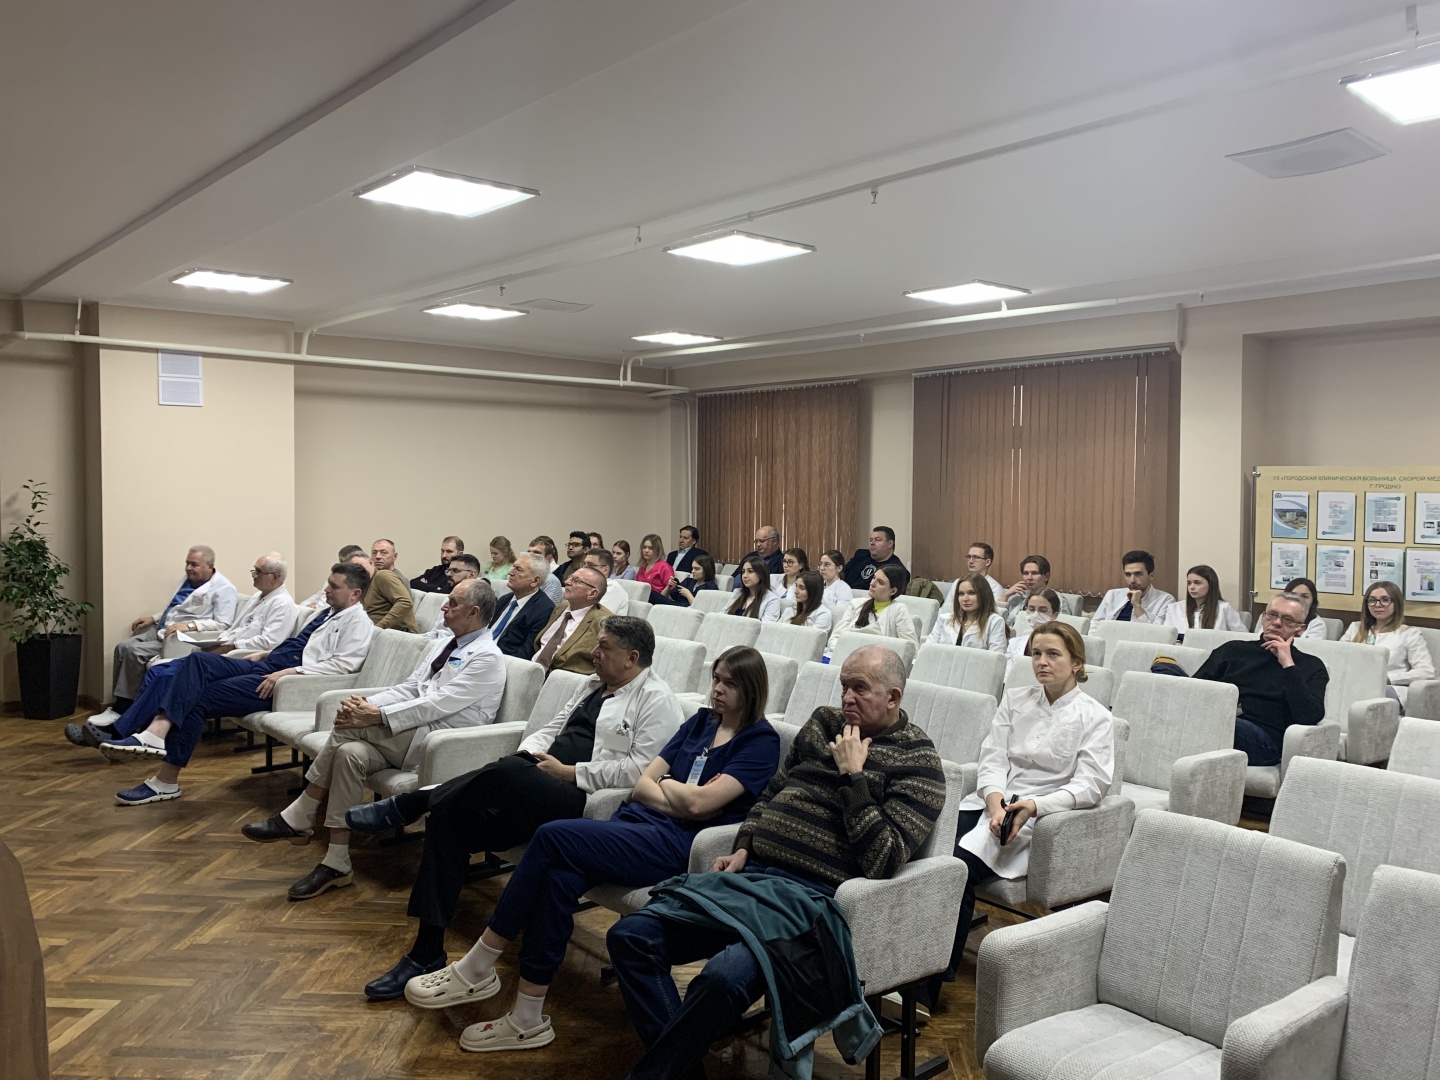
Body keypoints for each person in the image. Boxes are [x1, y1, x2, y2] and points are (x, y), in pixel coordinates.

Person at [403, 647, 780, 1054]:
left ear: (751, 689)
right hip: (633, 823)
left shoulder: (760, 742)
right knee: (558, 878)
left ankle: (479, 961)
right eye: (716, 679)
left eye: (730, 683)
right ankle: (527, 1017)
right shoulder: (701, 722)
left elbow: (699, 807)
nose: (718, 689)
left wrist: (670, 788)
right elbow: (644, 785)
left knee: (551, 836)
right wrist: (677, 792)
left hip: (674, 845)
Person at [606, 645, 945, 1080]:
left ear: (893, 697)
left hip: (808, 904)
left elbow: (884, 859)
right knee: (631, 936)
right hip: (752, 879)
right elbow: (772, 793)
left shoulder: (919, 762)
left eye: (860, 688)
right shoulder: (823, 723)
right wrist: (746, 844)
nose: (847, 698)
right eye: (844, 686)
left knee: (721, 979)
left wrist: (854, 777)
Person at [351, 617, 684, 1001]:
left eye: (604, 646)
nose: (594, 652)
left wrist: (569, 772)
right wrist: (530, 756)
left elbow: (642, 771)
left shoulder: (656, 700)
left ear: (632, 657)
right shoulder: (592, 685)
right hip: (538, 789)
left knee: (507, 771)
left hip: (585, 803)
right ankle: (426, 952)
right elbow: (552, 729)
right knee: (448, 820)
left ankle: (414, 802)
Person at [240, 579, 506, 899]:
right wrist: (368, 704)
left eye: (453, 602)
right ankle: (337, 862)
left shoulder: (487, 657)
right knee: (349, 753)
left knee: (350, 725)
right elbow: (409, 688)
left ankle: (302, 811)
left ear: (473, 612)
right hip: (408, 733)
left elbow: (436, 705)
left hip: (439, 744)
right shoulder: (445, 643)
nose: (444, 606)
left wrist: (375, 716)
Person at [924, 621, 1114, 1008]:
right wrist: (994, 802)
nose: (1041, 662)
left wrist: (1034, 806)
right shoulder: (1015, 699)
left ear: (1077, 663)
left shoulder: (1095, 716)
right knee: (923, 851)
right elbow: (993, 758)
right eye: (1036, 653)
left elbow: (1092, 785)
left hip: (1038, 816)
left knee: (956, 870)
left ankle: (927, 985)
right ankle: (898, 962)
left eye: (1053, 654)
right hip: (990, 802)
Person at [97, 562, 375, 804]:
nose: (326, 590)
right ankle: (156, 734)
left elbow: (343, 666)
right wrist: (267, 653)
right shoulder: (327, 613)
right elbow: (303, 646)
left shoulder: (358, 622)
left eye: (334, 586)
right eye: (328, 583)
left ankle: (165, 778)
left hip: (283, 684)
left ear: (355, 593)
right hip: (268, 665)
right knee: (198, 661)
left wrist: (289, 672)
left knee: (197, 698)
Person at [68, 553, 293, 748]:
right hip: (220, 654)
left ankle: (119, 733)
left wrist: (228, 646)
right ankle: (138, 733)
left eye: (258, 571)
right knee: (158, 671)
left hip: (240, 661)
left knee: (168, 675)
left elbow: (269, 643)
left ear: (274, 577)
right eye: (254, 570)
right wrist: (213, 642)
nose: (253, 575)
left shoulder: (283, 604)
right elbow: (233, 630)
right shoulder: (257, 598)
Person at [93, 545, 239, 721]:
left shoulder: (224, 589)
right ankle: (121, 703)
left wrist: (190, 626)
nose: (188, 568)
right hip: (162, 628)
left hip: (179, 639)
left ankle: (123, 710)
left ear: (210, 566)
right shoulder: (188, 580)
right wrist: (153, 618)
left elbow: (223, 624)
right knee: (122, 648)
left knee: (134, 652)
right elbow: (175, 608)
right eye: (187, 563)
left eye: (194, 564)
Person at [1188, 592, 1329, 767]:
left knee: (1219, 721)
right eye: (1272, 615)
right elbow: (1194, 690)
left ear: (1300, 628)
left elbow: (1310, 716)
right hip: (1221, 719)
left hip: (1264, 740)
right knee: (1170, 680)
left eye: (1287, 619)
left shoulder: (1310, 665)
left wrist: (1288, 664)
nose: (1277, 623)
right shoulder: (1232, 650)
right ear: (1263, 618)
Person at [1345, 581, 1434, 709]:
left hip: (1390, 688)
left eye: (1385, 600)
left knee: (1366, 694)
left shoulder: (1409, 634)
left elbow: (1426, 671)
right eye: (1372, 600)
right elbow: (1339, 658)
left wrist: (1388, 678)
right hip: (1354, 683)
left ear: (1396, 603)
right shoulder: (1355, 628)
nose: (1378, 605)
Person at [531, 567, 611, 676]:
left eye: (576, 580)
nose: (566, 582)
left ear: (592, 593)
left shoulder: (603, 622)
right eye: (570, 577)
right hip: (532, 669)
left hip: (563, 679)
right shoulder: (561, 608)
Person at [827, 565, 918, 657]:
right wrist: (846, 653)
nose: (872, 583)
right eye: (874, 578)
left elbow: (911, 649)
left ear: (893, 591)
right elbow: (835, 638)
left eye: (880, 582)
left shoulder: (898, 610)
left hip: (878, 660)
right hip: (847, 656)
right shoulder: (856, 604)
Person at [488, 554, 556, 659]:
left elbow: (525, 654)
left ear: (535, 581)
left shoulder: (544, 610)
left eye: (518, 570)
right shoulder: (505, 599)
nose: (510, 572)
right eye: (513, 567)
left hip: (503, 661)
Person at [1092, 549, 1176, 624]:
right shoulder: (1112, 595)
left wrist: (1137, 605)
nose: (1132, 580)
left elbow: (1154, 633)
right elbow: (1095, 623)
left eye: (1138, 574)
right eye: (1128, 574)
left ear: (1151, 576)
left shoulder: (1165, 600)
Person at [929, 572, 1007, 652]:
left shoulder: (995, 622)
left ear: (983, 595)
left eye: (971, 593)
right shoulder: (944, 619)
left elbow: (996, 656)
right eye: (961, 594)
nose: (965, 599)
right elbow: (928, 649)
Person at [1166, 564, 1247, 635]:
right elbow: (1166, 635)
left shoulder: (1223, 608)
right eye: (1189, 583)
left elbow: (1243, 637)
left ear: (1210, 585)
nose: (1191, 587)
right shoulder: (1175, 608)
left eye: (1197, 583)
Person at [1004, 590, 1063, 677]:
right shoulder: (1014, 643)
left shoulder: (1064, 644)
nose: (1035, 615)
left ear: (1055, 615)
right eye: (1031, 609)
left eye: (1043, 610)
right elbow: (1007, 677)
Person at [422, 555, 481, 639]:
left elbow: (457, 638)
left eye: (455, 571)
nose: (449, 574)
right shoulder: (449, 597)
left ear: (471, 575)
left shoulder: (479, 602)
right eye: (448, 570)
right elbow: (436, 631)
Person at [363, 541, 417, 632]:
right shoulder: (373, 577)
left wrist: (378, 628)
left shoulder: (394, 578)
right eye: (374, 553)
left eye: (383, 553)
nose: (378, 556)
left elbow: (405, 604)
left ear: (394, 556)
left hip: (398, 631)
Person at [841, 525, 906, 590]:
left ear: (890, 544)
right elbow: (841, 575)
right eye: (871, 540)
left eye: (877, 540)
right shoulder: (861, 555)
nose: (872, 543)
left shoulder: (897, 570)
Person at [301, 544, 365, 608]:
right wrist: (306, 605)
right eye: (341, 562)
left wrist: (316, 607)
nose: (342, 566)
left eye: (346, 563)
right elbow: (319, 595)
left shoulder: (356, 583)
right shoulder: (334, 578)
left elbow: (337, 603)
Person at [997, 555, 1053, 626]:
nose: (1029, 578)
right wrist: (1005, 595)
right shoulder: (1017, 597)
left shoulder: (1057, 600)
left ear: (1046, 576)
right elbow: (997, 621)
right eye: (1026, 573)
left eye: (1034, 573)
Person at [726, 556, 782, 621]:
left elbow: (766, 625)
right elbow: (722, 615)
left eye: (750, 571)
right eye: (743, 572)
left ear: (761, 574)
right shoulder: (737, 593)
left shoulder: (772, 599)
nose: (745, 576)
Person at [582, 548, 631, 616]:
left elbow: (596, 616)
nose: (584, 569)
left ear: (605, 570)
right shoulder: (588, 585)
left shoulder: (612, 588)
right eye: (584, 564)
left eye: (590, 565)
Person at [634, 534, 675, 601]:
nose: (646, 550)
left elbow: (671, 592)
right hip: (642, 600)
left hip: (657, 602)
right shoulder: (642, 567)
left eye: (650, 548)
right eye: (644, 547)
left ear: (657, 550)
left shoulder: (664, 567)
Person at [526, 540, 565, 604]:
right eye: (529, 553)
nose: (531, 556)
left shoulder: (551, 581)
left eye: (536, 553)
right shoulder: (524, 575)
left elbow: (547, 608)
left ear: (548, 558)